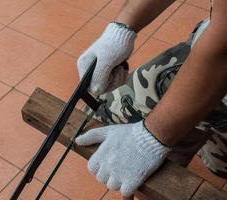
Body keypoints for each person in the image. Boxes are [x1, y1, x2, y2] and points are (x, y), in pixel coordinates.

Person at [74, 0, 227, 199]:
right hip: (215, 37)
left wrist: (151, 137)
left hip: (219, 56)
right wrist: (120, 31)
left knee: (109, 116)